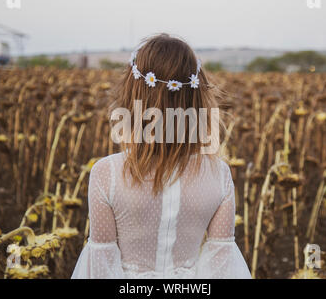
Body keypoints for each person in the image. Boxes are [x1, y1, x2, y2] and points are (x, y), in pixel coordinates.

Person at [71, 33, 251, 279]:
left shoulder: (106, 174)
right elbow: (220, 267)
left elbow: (101, 269)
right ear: (196, 99)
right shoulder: (219, 175)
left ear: (134, 95)